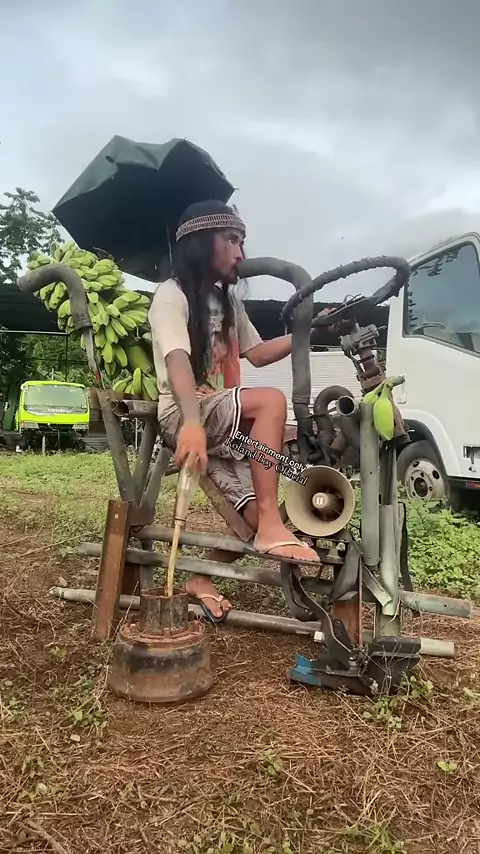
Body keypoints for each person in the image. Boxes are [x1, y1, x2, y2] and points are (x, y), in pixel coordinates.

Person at [149, 200, 331, 622]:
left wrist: (312, 329)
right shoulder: (171, 295)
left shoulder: (227, 302)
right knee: (270, 401)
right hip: (183, 415)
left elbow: (259, 353)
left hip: (222, 421)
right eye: (231, 240)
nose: (241, 252)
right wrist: (191, 423)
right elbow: (177, 359)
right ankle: (271, 523)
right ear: (200, 244)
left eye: (243, 242)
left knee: (251, 516)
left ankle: (201, 578)